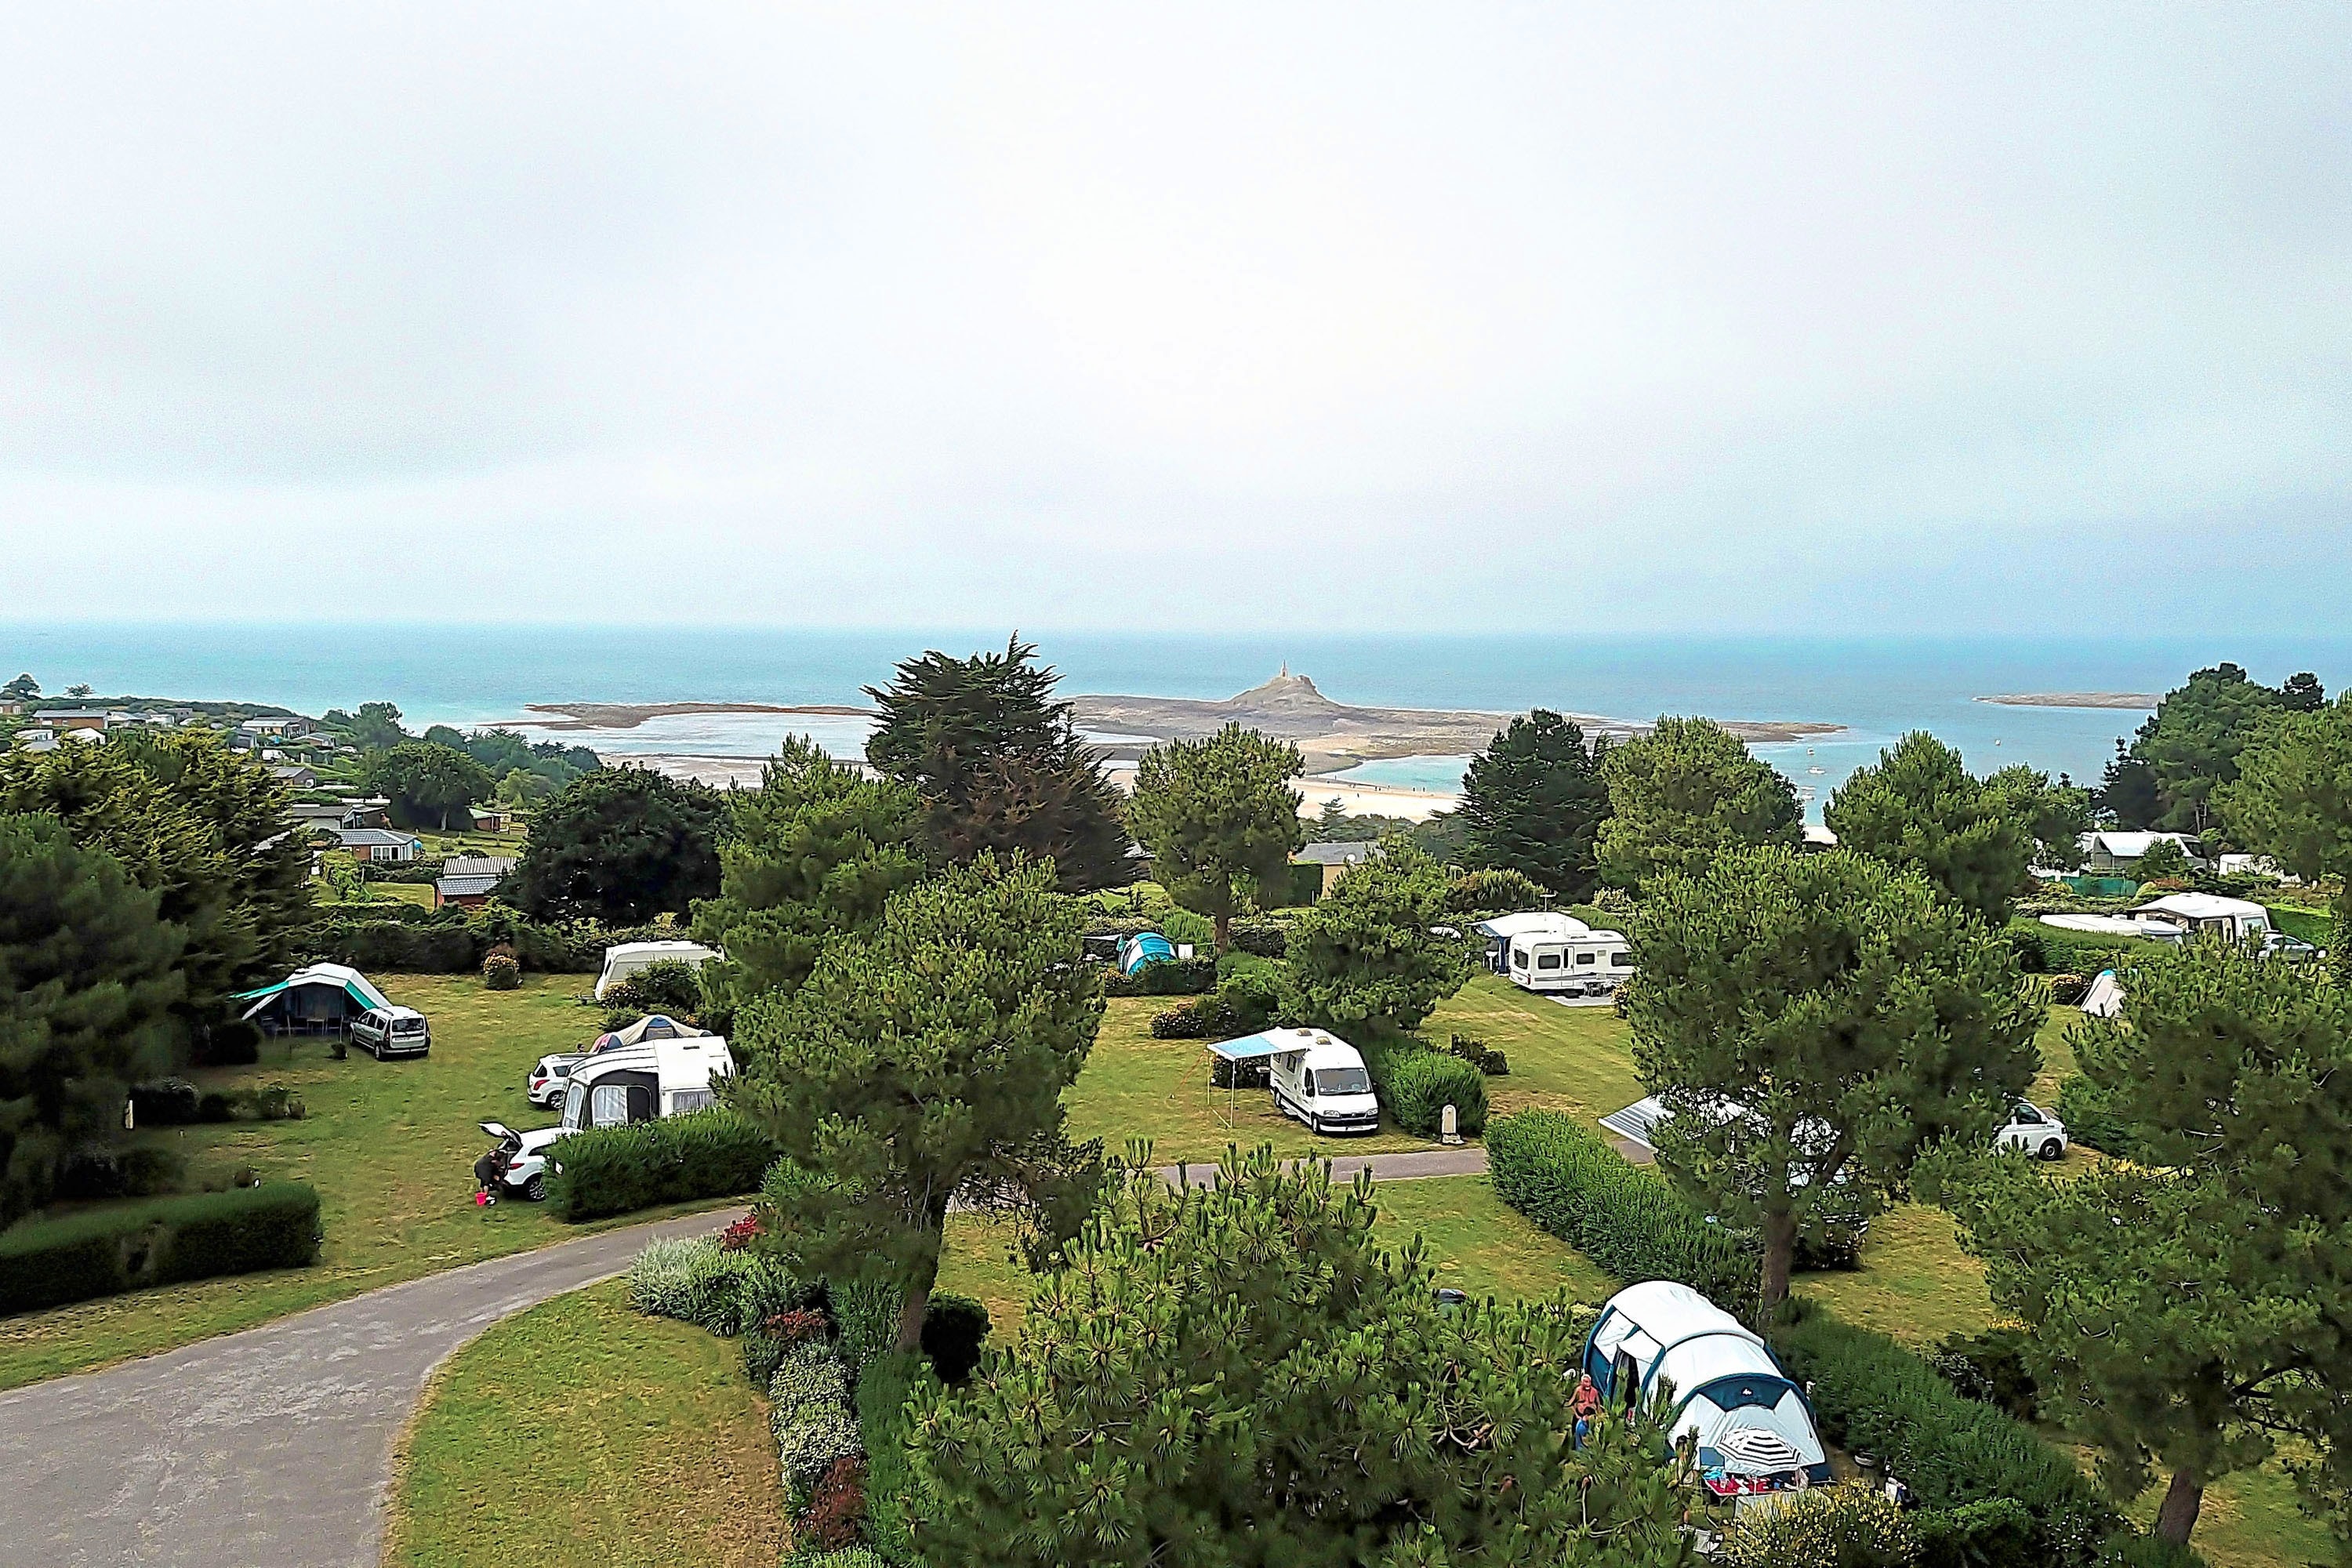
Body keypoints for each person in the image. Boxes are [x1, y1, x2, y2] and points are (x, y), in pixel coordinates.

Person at [1572, 1372, 1602, 1444]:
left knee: (1589, 1437)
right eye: (1586, 1382)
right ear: (1581, 1382)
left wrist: (1600, 1417)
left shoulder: (1594, 1391)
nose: (1588, 1384)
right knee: (1576, 1435)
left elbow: (1598, 1405)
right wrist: (1576, 1415)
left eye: (1589, 1382)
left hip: (1590, 1417)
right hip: (1579, 1415)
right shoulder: (1578, 1390)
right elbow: (1572, 1404)